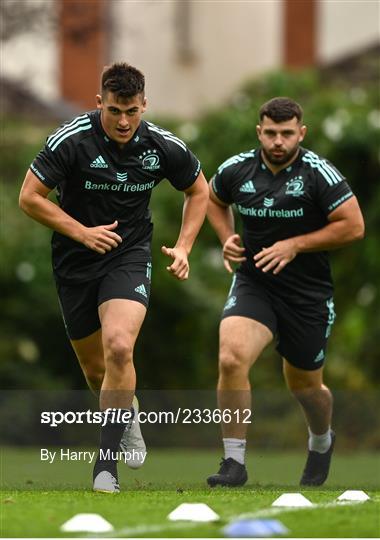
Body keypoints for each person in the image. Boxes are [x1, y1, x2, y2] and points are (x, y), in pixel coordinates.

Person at [19, 62, 209, 493]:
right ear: (99, 103)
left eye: (132, 112)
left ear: (144, 105)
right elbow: (29, 197)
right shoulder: (71, 140)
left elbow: (199, 189)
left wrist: (183, 247)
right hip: (74, 259)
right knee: (94, 369)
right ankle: (129, 410)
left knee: (120, 347)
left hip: (129, 255)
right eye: (115, 111)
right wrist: (81, 232)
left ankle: (105, 468)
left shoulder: (161, 145)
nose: (124, 122)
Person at [206, 97, 364, 487]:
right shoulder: (236, 169)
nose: (278, 141)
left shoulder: (319, 175)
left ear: (301, 133)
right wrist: (227, 238)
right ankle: (233, 462)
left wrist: (296, 244)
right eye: (271, 133)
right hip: (254, 282)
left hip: (307, 294)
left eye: (287, 133)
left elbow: (353, 226)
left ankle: (321, 440)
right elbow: (212, 198)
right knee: (230, 358)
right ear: (259, 131)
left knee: (306, 387)